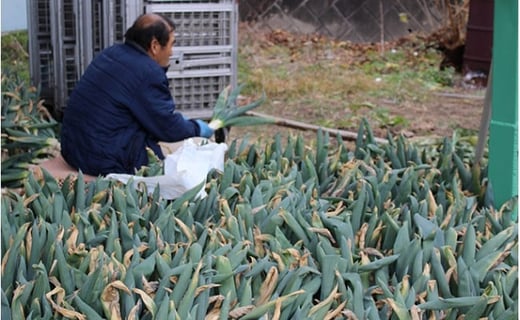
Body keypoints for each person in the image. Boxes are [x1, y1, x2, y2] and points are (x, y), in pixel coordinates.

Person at [60, 13, 214, 176]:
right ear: (155, 45)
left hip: (73, 150)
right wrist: (197, 128)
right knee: (194, 149)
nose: (171, 52)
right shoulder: (148, 73)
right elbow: (168, 128)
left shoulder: (111, 53)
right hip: (100, 160)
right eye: (171, 45)